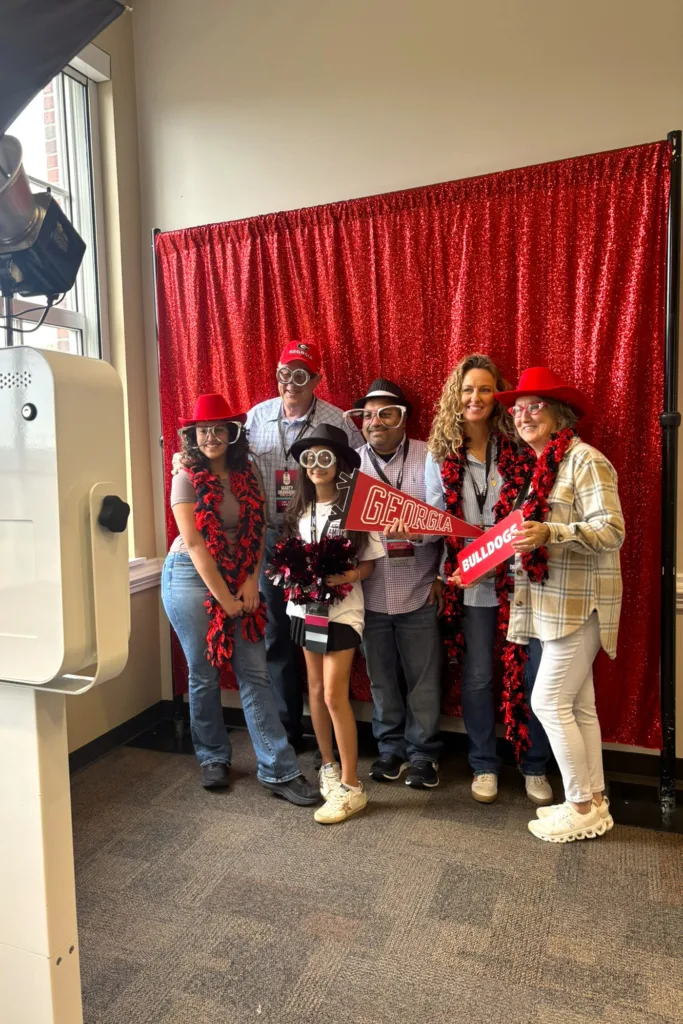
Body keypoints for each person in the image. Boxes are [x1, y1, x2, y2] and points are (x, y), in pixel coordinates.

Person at [161, 392, 320, 806]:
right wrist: (224, 597)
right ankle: (213, 757)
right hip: (192, 579)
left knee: (255, 672)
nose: (211, 437)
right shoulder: (185, 477)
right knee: (204, 672)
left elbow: (254, 530)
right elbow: (195, 543)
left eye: (219, 429)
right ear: (193, 437)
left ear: (233, 434)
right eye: (202, 430)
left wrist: (250, 584)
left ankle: (279, 769)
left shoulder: (246, 472)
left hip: (240, 573)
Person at [494, 367, 624, 842]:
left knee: (548, 701)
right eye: (517, 408)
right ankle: (596, 799)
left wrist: (553, 532)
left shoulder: (586, 461)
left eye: (535, 406)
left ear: (558, 413)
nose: (523, 415)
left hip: (579, 606)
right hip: (550, 606)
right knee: (580, 706)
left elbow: (612, 530)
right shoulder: (541, 464)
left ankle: (580, 806)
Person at [425, 353, 553, 806]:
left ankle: (534, 763)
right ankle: (483, 762)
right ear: (454, 399)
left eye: (483, 389)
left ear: (497, 396)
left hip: (522, 583)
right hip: (473, 582)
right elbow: (434, 519)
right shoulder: (439, 454)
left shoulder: (518, 444)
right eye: (466, 390)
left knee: (533, 674)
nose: (475, 398)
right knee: (479, 675)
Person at [246, 341, 362, 750]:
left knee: (322, 625)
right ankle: (288, 731)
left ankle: (328, 731)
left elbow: (355, 472)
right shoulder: (257, 417)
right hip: (270, 537)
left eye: (300, 375)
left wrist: (346, 532)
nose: (290, 384)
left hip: (318, 534)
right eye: (284, 374)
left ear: (315, 379)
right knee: (278, 632)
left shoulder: (336, 420)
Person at [276, 423, 385, 823]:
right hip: (304, 610)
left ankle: (353, 787)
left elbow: (370, 562)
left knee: (335, 696)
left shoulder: (356, 508)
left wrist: (349, 576)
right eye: (310, 458)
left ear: (339, 464)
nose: (317, 465)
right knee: (317, 690)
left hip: (342, 612)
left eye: (326, 457)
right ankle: (328, 766)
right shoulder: (298, 510)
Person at [344, 379, 444, 788]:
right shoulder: (349, 463)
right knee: (381, 676)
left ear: (403, 418)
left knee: (424, 677)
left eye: (386, 413)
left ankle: (424, 755)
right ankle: (390, 750)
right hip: (369, 591)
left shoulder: (429, 457)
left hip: (419, 585)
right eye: (368, 415)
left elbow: (448, 519)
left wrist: (434, 562)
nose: (376, 421)